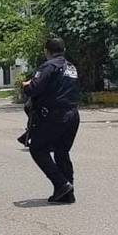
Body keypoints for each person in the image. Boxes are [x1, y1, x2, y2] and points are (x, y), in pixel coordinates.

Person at [23, 37, 80, 204]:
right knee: (62, 152)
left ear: (46, 51)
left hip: (55, 115)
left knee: (37, 148)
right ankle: (67, 193)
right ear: (63, 50)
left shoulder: (49, 66)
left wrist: (26, 85)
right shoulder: (71, 67)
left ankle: (61, 184)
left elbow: (34, 89)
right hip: (72, 114)